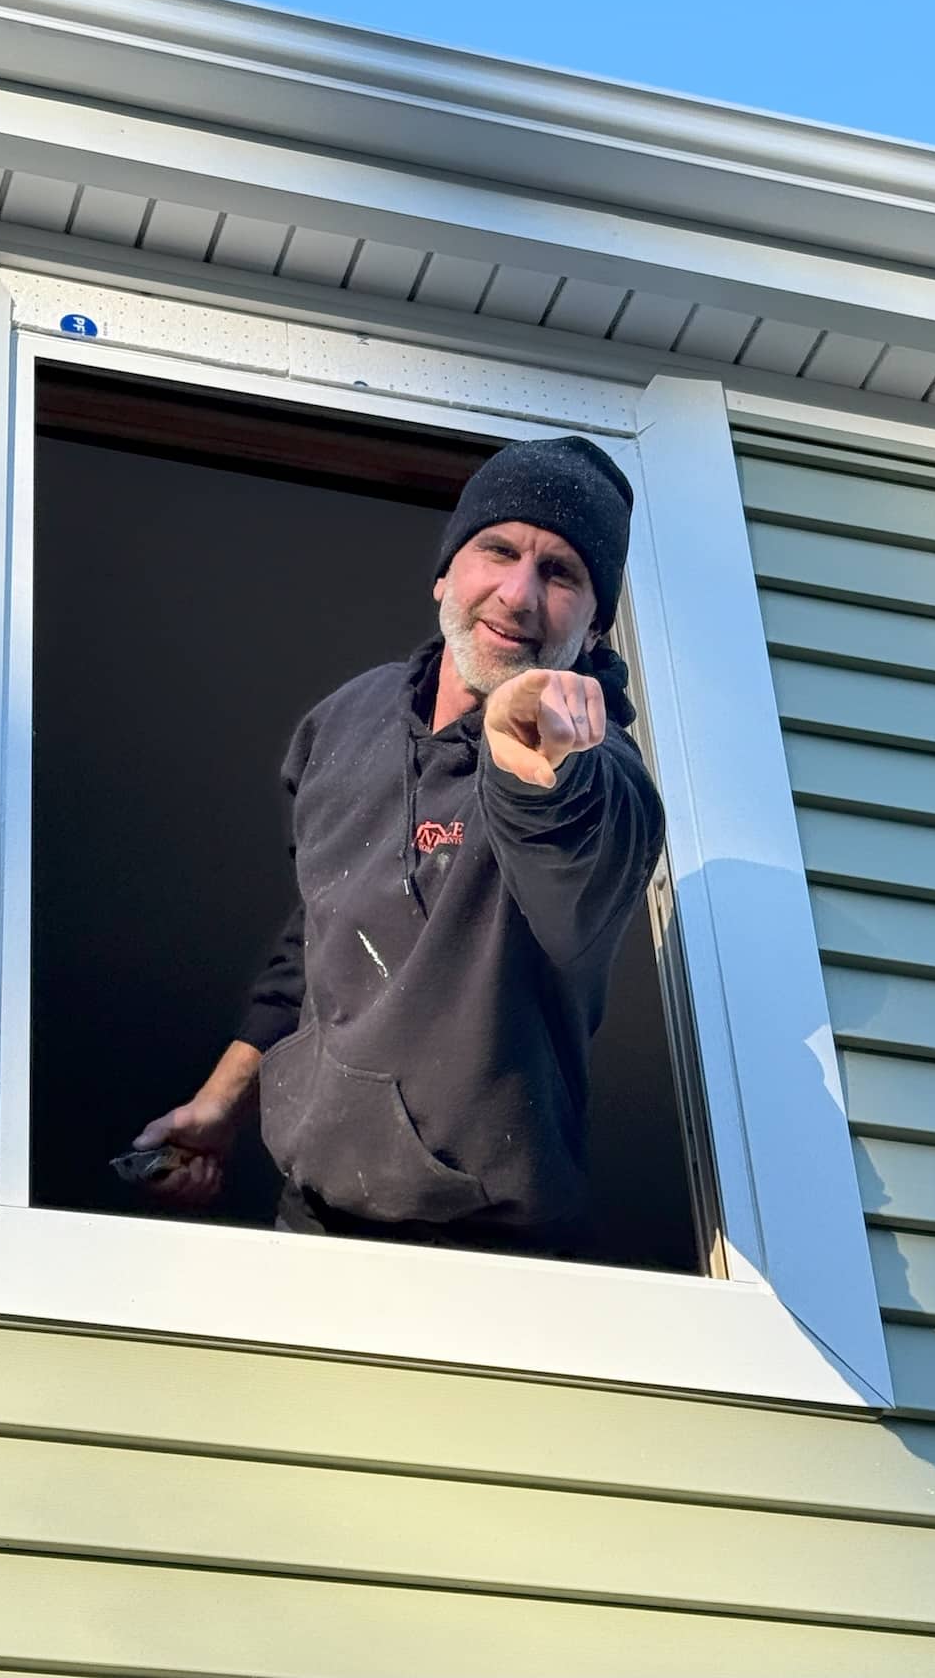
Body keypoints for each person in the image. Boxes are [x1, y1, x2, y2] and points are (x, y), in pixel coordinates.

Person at [132, 434, 665, 1253]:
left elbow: (575, 871)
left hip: (488, 1253)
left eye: (561, 574)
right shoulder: (345, 721)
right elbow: (320, 934)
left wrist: (534, 765)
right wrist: (219, 1106)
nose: (519, 594)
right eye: (499, 550)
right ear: (446, 573)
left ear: (595, 631)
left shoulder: (598, 773)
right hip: (310, 1217)